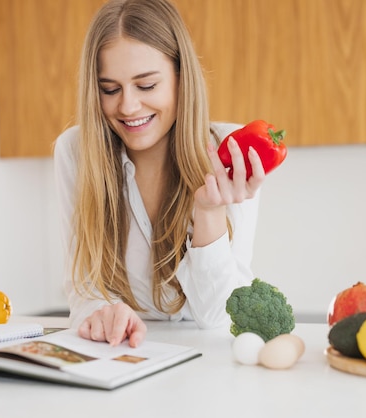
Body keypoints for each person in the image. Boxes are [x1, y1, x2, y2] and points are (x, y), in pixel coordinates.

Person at [53, 0, 265, 348]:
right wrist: (103, 316)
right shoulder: (75, 152)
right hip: (123, 356)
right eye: (110, 89)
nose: (128, 106)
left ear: (182, 79)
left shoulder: (230, 151)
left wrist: (209, 211)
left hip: (207, 368)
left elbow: (218, 316)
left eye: (147, 85)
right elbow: (84, 292)